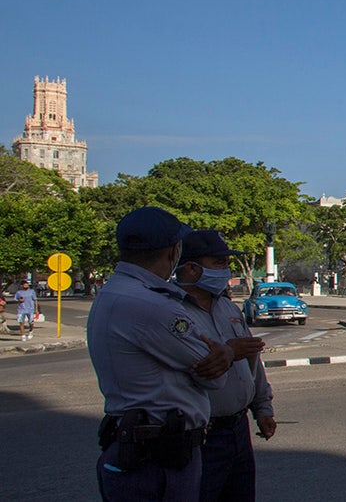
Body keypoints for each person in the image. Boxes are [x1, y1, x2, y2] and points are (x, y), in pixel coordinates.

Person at [88, 207, 235, 502]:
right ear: (174, 251)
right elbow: (214, 377)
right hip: (157, 458)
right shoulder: (153, 305)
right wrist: (226, 353)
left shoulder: (114, 292)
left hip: (135, 444)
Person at [175, 230, 275, 502]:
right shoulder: (172, 311)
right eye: (218, 263)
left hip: (238, 429)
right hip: (201, 436)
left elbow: (253, 360)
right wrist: (229, 352)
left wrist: (262, 407)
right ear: (191, 268)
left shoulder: (229, 309)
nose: (226, 270)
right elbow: (194, 368)